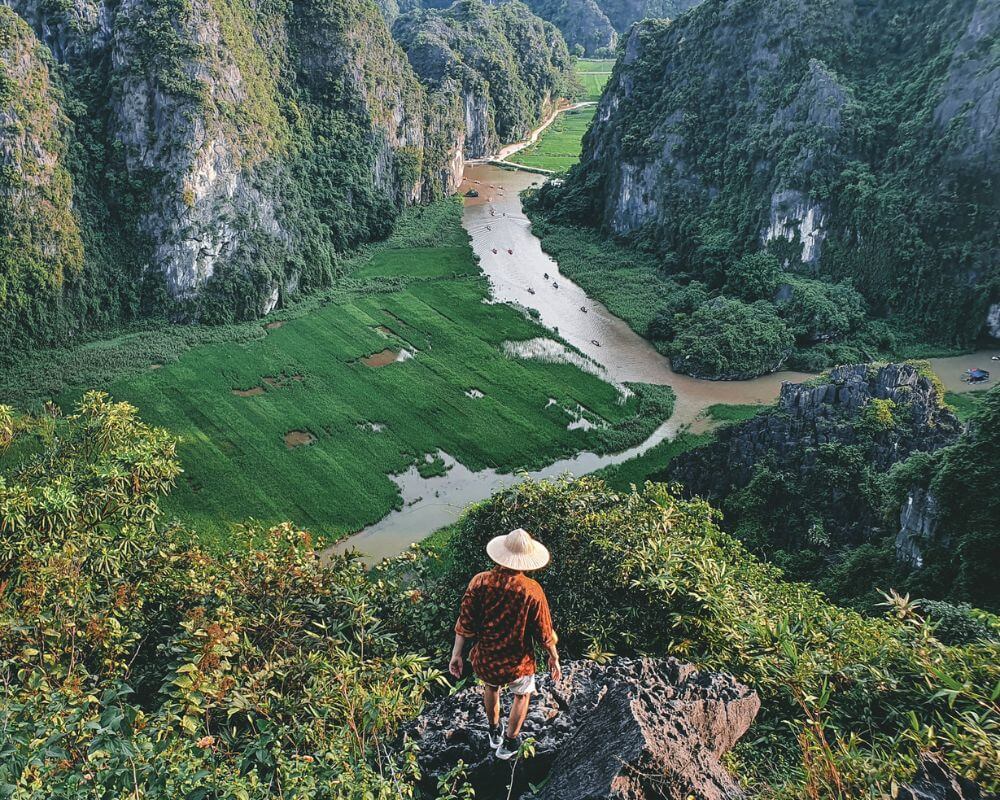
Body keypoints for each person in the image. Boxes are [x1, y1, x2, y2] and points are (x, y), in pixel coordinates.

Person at [449, 528, 560, 760]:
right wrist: (554, 657)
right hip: (518, 663)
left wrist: (456, 654)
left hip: (487, 658)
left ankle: (493, 731)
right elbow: (544, 632)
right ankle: (509, 743)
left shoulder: (480, 582)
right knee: (522, 695)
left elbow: (465, 623)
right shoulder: (532, 591)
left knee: (491, 688)